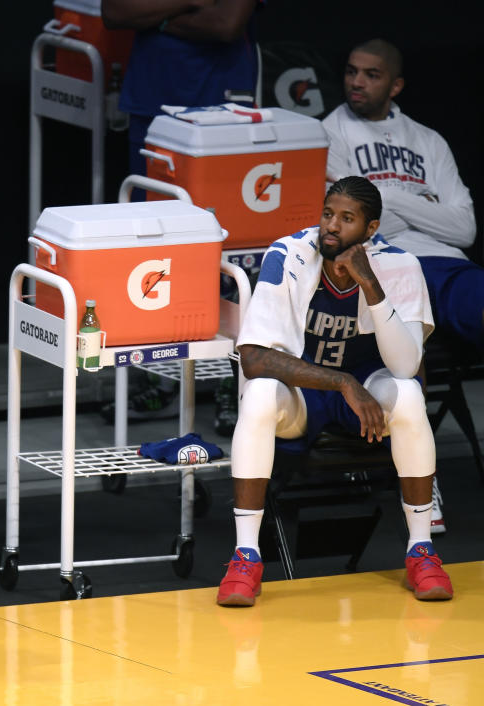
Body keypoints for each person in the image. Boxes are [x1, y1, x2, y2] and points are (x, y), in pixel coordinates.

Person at [217, 176, 453, 606]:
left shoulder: (401, 265)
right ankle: (245, 556)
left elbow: (405, 366)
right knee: (260, 394)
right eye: (328, 214)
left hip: (369, 391)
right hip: (307, 392)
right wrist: (342, 382)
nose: (332, 226)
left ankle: (422, 551)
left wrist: (370, 285)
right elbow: (253, 358)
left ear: (371, 229)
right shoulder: (286, 254)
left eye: (347, 219)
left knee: (410, 395)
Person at [322, 38, 479, 534]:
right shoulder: (328, 134)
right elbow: (354, 220)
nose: (356, 82)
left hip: (446, 263)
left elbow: (464, 231)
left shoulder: (428, 140)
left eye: (370, 74)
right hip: (384, 263)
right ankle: (421, 480)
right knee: (407, 346)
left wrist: (387, 195)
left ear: (396, 84)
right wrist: (422, 203)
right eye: (351, 72)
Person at [101, 0, 261, 426]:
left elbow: (227, 23)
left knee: (232, 249)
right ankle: (164, 377)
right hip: (152, 102)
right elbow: (114, 13)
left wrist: (158, 15)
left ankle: (233, 383)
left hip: (223, 104)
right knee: (155, 243)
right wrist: (189, 4)